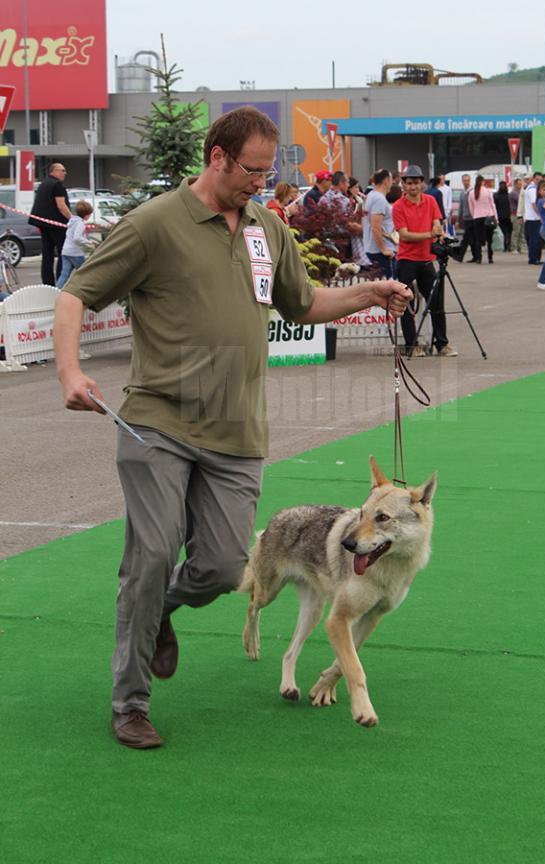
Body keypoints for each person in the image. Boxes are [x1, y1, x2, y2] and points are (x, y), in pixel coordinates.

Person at [53, 106, 411, 750]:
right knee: (152, 556)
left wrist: (368, 293)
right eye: (251, 169)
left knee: (222, 567)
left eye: (267, 171)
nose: (260, 181)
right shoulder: (154, 224)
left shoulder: (266, 228)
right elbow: (76, 292)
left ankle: (159, 609)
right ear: (216, 158)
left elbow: (304, 303)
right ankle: (130, 702)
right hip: (157, 421)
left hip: (237, 430)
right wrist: (70, 371)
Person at [392, 165, 457, 357]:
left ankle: (442, 344)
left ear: (422, 183)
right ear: (403, 184)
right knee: (406, 304)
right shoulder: (398, 206)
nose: (413, 187)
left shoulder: (430, 200)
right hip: (407, 259)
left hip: (427, 258)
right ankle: (412, 345)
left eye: (417, 183)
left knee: (436, 303)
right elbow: (404, 235)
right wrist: (431, 233)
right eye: (409, 183)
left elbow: (437, 220)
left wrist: (437, 228)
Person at [29, 162, 72, 285]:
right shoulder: (57, 185)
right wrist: (72, 219)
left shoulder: (44, 183)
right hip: (57, 224)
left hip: (43, 223)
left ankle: (47, 282)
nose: (65, 173)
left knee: (47, 254)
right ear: (53, 171)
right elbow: (61, 206)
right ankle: (60, 281)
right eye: (62, 170)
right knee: (62, 253)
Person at [362, 168, 396, 277]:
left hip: (373, 248)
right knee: (389, 286)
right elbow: (375, 227)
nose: (392, 183)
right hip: (380, 251)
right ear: (386, 181)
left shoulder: (371, 195)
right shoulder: (379, 199)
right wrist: (384, 249)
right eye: (391, 180)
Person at [55, 200, 94, 289]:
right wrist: (88, 242)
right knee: (85, 273)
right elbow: (77, 238)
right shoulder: (80, 223)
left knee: (64, 274)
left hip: (65, 251)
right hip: (76, 253)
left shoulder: (72, 221)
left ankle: (56, 290)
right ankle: (85, 290)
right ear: (86, 214)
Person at [467, 175, 498, 263]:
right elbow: (492, 205)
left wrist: (474, 215)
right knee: (489, 239)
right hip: (488, 216)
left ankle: (478, 258)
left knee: (478, 239)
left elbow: (471, 207)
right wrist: (496, 217)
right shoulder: (488, 191)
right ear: (483, 182)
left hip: (477, 217)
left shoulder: (471, 193)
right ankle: (490, 257)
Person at [523, 171, 543, 265]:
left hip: (531, 217)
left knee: (534, 239)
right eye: (537, 179)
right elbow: (534, 204)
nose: (538, 181)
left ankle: (534, 258)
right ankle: (533, 259)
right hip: (533, 218)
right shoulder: (532, 189)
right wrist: (540, 215)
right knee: (534, 240)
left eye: (540, 180)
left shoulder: (532, 188)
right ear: (533, 179)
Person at [457, 173, 474, 261]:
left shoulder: (472, 191)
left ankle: (460, 256)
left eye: (467, 180)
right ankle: (475, 256)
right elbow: (460, 207)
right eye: (464, 181)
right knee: (469, 238)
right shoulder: (462, 193)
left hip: (473, 218)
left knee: (467, 238)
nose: (466, 182)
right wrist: (458, 220)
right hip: (466, 218)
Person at [494, 181, 512, 252]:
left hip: (500, 216)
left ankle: (505, 246)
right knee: (509, 231)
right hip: (508, 215)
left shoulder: (496, 196)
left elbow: (495, 206)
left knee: (503, 232)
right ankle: (509, 245)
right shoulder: (509, 196)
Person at [510, 178, 525, 253]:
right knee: (516, 232)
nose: (520, 185)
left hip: (522, 214)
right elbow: (520, 199)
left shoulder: (522, 192)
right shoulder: (513, 193)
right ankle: (513, 248)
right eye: (519, 184)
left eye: (521, 183)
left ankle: (520, 247)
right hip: (515, 215)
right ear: (515, 184)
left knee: (521, 232)